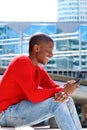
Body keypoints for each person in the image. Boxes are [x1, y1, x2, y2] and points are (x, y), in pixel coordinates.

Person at [0, 33, 82, 130]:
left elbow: (54, 88)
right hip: (6, 114)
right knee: (56, 103)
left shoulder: (39, 70)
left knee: (67, 99)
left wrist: (63, 92)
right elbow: (34, 95)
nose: (51, 55)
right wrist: (62, 89)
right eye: (49, 50)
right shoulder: (21, 62)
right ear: (37, 48)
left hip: (19, 112)